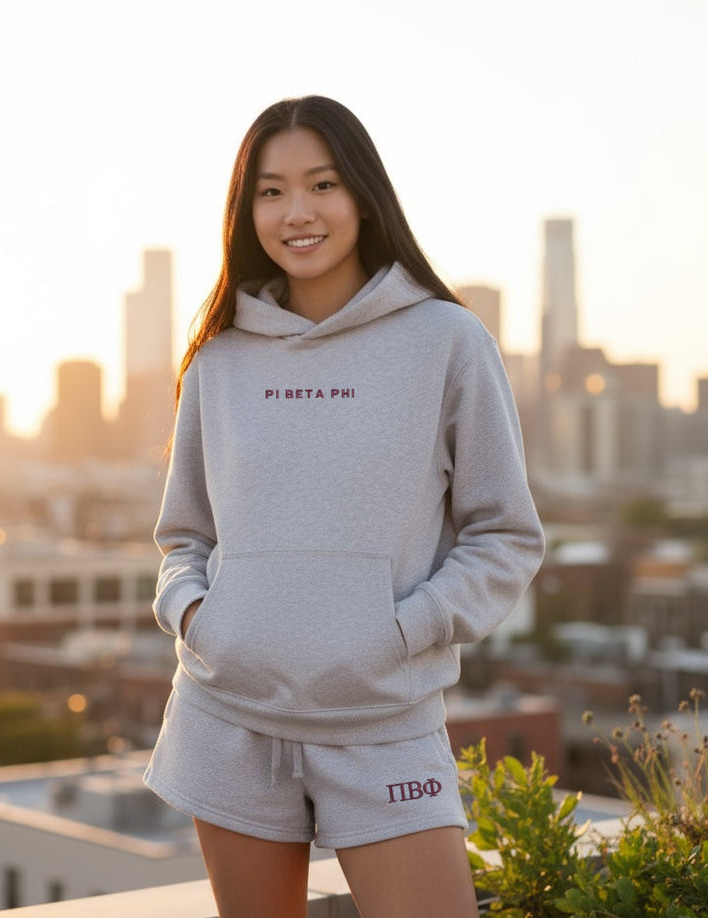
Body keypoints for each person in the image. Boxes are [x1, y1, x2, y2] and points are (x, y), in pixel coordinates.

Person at [144, 95, 545, 918]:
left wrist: (405, 629)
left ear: (363, 194)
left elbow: (505, 534)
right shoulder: (217, 356)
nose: (297, 213)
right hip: (230, 718)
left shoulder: (447, 342)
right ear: (244, 208)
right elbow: (183, 534)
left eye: (322, 184)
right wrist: (196, 617)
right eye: (270, 190)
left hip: (383, 721)